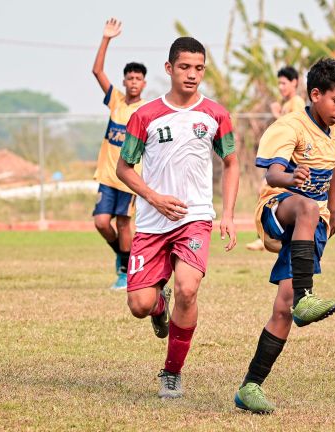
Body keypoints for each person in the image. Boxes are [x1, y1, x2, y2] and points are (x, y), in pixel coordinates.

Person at [116, 36, 239, 399]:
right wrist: (153, 197)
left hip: (194, 217)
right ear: (169, 69)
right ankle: (158, 305)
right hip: (153, 223)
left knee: (188, 287)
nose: (192, 75)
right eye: (184, 67)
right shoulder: (145, 116)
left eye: (199, 68)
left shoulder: (216, 115)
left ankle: (172, 372)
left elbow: (231, 163)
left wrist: (228, 214)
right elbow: (124, 168)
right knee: (139, 306)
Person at [234, 58, 335, 413]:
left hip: (312, 221)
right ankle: (306, 297)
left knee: (282, 309)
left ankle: (250, 387)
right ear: (315, 94)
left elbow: (333, 166)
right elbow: (272, 175)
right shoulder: (290, 126)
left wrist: (334, 212)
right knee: (305, 206)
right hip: (277, 210)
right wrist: (292, 178)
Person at [92, 17, 147, 290]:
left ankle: (125, 273)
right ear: (124, 81)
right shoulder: (116, 100)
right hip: (106, 175)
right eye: (130, 78)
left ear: (144, 83)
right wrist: (106, 38)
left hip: (128, 177)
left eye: (138, 78)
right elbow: (97, 71)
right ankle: (122, 256)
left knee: (125, 224)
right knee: (101, 223)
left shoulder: (146, 110)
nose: (133, 82)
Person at [246, 66, 306, 251]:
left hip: (288, 160)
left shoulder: (296, 102)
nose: (280, 87)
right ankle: (274, 236)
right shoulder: (288, 103)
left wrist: (276, 115)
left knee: (267, 190)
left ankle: (269, 237)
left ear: (294, 82)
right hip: (284, 158)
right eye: (278, 83)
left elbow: (294, 127)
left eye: (283, 83)